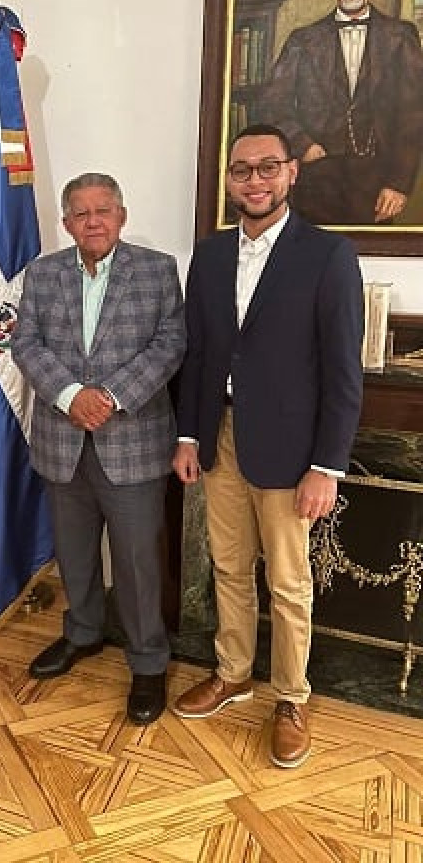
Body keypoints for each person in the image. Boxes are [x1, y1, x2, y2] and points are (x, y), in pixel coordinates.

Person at [171, 123, 363, 768]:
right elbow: (198, 355)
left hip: (291, 450)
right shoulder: (209, 254)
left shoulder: (327, 256)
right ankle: (232, 674)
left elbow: (343, 373)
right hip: (220, 438)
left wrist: (326, 466)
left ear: (290, 173)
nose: (254, 180)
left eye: (267, 168)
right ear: (229, 180)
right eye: (242, 170)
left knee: (287, 580)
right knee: (226, 567)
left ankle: (291, 697)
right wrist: (190, 434)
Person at [11, 172, 186, 726]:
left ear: (121, 215)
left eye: (103, 210)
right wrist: (69, 395)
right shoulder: (42, 274)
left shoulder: (157, 272)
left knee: (136, 562)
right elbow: (25, 342)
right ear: (67, 222)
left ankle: (149, 662)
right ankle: (82, 632)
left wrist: (108, 396)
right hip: (63, 441)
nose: (93, 221)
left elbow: (171, 345)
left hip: (131, 441)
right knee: (76, 552)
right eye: (81, 213)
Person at [258, 0, 423, 225]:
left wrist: (398, 182)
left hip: (375, 186)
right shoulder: (303, 40)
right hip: (314, 184)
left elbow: (413, 115)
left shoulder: (400, 37)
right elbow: (271, 105)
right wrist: (304, 146)